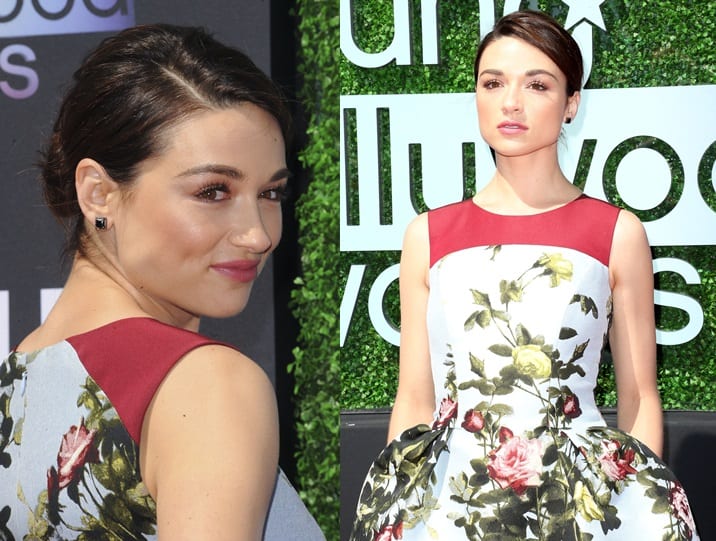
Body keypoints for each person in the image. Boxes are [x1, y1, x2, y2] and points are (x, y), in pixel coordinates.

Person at [350, 10, 699, 540]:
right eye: (493, 83)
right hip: (448, 501)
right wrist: (397, 508)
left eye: (537, 84)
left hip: (576, 502)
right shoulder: (427, 235)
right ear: (477, 97)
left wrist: (638, 506)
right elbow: (415, 398)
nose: (511, 102)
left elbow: (639, 397)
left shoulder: (616, 232)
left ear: (571, 103)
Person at [0, 24, 324, 540]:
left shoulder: (15, 383)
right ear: (98, 193)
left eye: (270, 194)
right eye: (213, 191)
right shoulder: (206, 383)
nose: (258, 235)